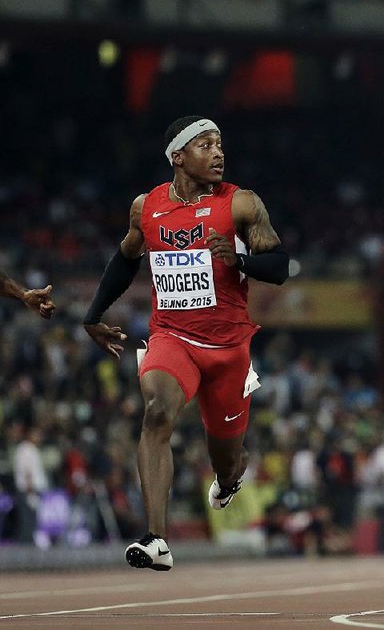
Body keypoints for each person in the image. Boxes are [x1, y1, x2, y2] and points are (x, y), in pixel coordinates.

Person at [83, 116, 290, 571]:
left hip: (229, 350)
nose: (218, 153)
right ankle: (157, 538)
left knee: (228, 460)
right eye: (205, 145)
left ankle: (230, 475)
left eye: (220, 145)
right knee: (156, 413)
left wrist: (238, 259)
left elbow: (279, 264)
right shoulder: (147, 207)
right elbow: (125, 258)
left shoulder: (241, 204)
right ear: (178, 156)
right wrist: (93, 315)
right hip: (172, 337)